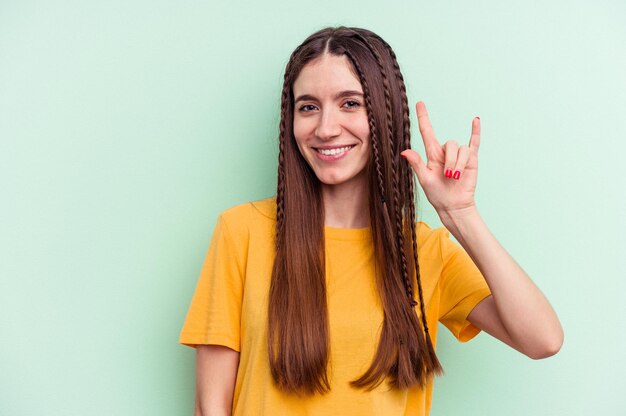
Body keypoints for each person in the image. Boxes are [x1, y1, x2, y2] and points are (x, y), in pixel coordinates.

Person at [179, 26, 563, 416]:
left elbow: (542, 339)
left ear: (384, 114)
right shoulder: (242, 232)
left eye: (349, 103)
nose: (326, 128)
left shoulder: (423, 253)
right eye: (308, 107)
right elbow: (211, 407)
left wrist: (460, 215)